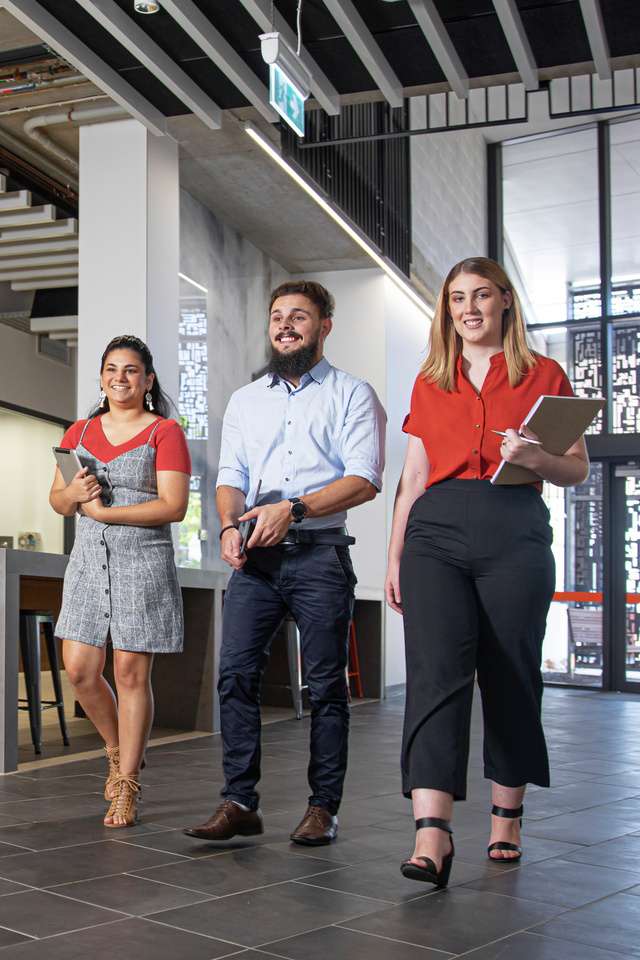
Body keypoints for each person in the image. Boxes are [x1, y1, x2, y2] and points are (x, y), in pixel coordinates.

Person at [385, 257, 589, 886]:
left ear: (504, 300)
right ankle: (432, 835)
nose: (467, 308)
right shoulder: (430, 379)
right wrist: (393, 555)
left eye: (479, 296)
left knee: (510, 673)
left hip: (515, 525)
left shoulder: (544, 374)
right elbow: (414, 474)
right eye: (455, 300)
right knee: (435, 676)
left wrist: (533, 454)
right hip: (435, 532)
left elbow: (575, 467)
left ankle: (506, 818)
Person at [185, 280, 386, 846]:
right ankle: (239, 800)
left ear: (325, 326)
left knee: (325, 686)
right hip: (256, 558)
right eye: (277, 316)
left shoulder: (352, 393)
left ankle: (323, 807)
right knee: (235, 676)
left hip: (321, 554)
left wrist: (293, 510)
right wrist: (229, 524)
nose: (285, 324)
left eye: (299, 315)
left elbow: (364, 480)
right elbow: (230, 480)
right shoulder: (247, 400)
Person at [50, 335, 190, 828]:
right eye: (112, 368)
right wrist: (72, 492)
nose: (120, 378)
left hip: (142, 559)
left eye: (132, 370)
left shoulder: (165, 432)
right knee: (81, 670)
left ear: (148, 380)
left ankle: (127, 785)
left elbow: (173, 506)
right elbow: (59, 502)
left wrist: (108, 510)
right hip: (88, 561)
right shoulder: (78, 431)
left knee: (131, 673)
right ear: (102, 375)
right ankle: (117, 750)